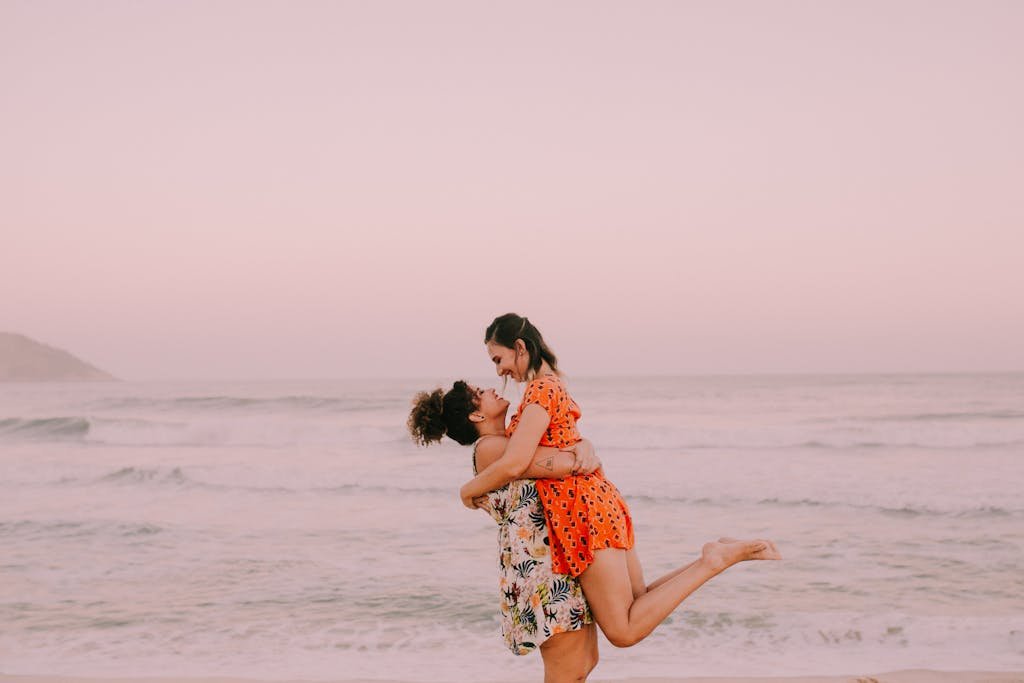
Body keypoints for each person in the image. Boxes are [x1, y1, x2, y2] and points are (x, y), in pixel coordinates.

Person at [459, 313, 782, 649]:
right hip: (598, 501)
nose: (499, 371)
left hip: (580, 510)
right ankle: (715, 556)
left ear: (520, 348)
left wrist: (467, 490)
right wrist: (583, 447)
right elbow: (555, 447)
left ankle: (714, 561)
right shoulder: (551, 385)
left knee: (623, 630)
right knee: (638, 600)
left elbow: (514, 462)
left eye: (499, 359)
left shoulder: (540, 389)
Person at [408, 380, 602, 683]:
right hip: (541, 572)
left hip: (551, 562)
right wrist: (582, 449)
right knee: (569, 672)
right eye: (479, 393)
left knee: (585, 663)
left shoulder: (510, 444)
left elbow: (566, 452)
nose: (490, 389)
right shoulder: (492, 448)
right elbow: (565, 462)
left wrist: (583, 446)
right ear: (476, 416)